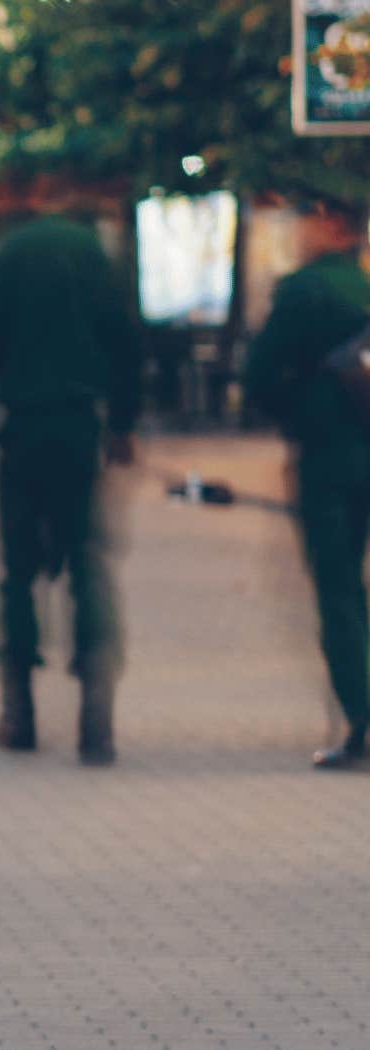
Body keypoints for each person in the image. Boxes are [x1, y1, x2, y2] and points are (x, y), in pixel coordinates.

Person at [0, 214, 142, 766]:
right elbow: (125, 342)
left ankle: (20, 714)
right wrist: (125, 425)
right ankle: (98, 718)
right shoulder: (96, 259)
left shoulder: (12, 255)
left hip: (22, 432)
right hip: (82, 432)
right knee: (90, 566)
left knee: (16, 571)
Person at [241, 203, 370, 770]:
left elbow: (259, 377)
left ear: (336, 227)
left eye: (310, 218)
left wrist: (294, 410)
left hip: (329, 458)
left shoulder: (305, 292)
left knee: (339, 588)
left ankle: (361, 717)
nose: (299, 229)